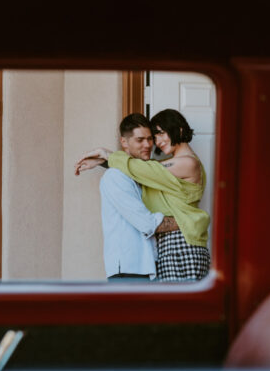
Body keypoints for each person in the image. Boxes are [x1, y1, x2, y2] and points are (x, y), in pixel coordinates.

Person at [75, 109, 210, 281]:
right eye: (155, 136)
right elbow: (144, 170)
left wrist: (106, 155)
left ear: (180, 130)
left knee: (181, 305)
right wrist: (105, 162)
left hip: (181, 244)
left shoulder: (187, 163)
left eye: (159, 134)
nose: (156, 143)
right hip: (170, 245)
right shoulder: (165, 167)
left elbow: (144, 170)